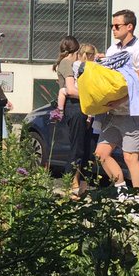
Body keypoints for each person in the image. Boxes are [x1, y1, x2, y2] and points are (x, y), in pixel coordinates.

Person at [94, 9, 139, 197]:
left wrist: (119, 100)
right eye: (111, 25)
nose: (113, 29)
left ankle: (138, 202)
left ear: (130, 27)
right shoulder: (113, 49)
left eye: (116, 26)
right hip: (112, 113)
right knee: (101, 154)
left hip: (133, 112)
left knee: (131, 157)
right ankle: (122, 194)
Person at [53, 37, 92, 197]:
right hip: (74, 107)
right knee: (77, 148)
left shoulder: (66, 63)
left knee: (84, 147)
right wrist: (91, 95)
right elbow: (69, 89)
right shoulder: (67, 63)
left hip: (79, 107)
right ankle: (70, 185)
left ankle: (81, 185)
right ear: (76, 51)